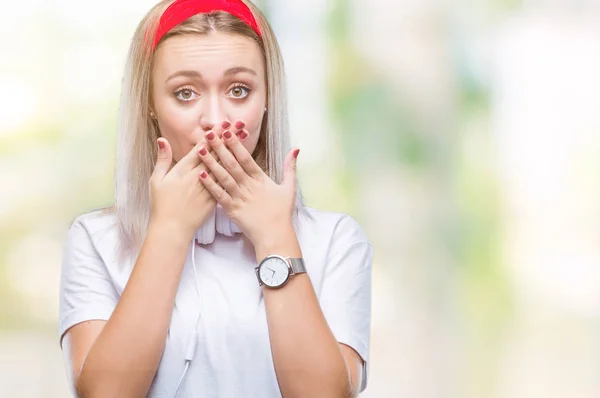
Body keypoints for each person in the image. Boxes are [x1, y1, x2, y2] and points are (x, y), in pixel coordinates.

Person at [58, 0, 373, 396]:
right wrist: (170, 229)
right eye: (185, 93)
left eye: (239, 89)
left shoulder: (335, 239)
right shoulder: (96, 238)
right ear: (151, 106)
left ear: (267, 99)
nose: (215, 119)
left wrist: (275, 237)